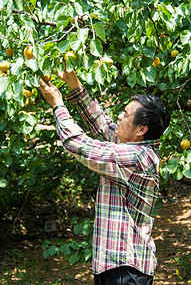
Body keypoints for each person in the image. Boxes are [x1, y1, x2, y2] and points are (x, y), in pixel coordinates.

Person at [38, 65, 170, 285]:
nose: (119, 116)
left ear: (141, 130)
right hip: (114, 263)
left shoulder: (136, 157)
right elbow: (103, 126)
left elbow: (78, 144)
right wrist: (76, 87)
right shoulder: (135, 146)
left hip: (125, 268)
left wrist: (58, 105)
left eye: (125, 115)